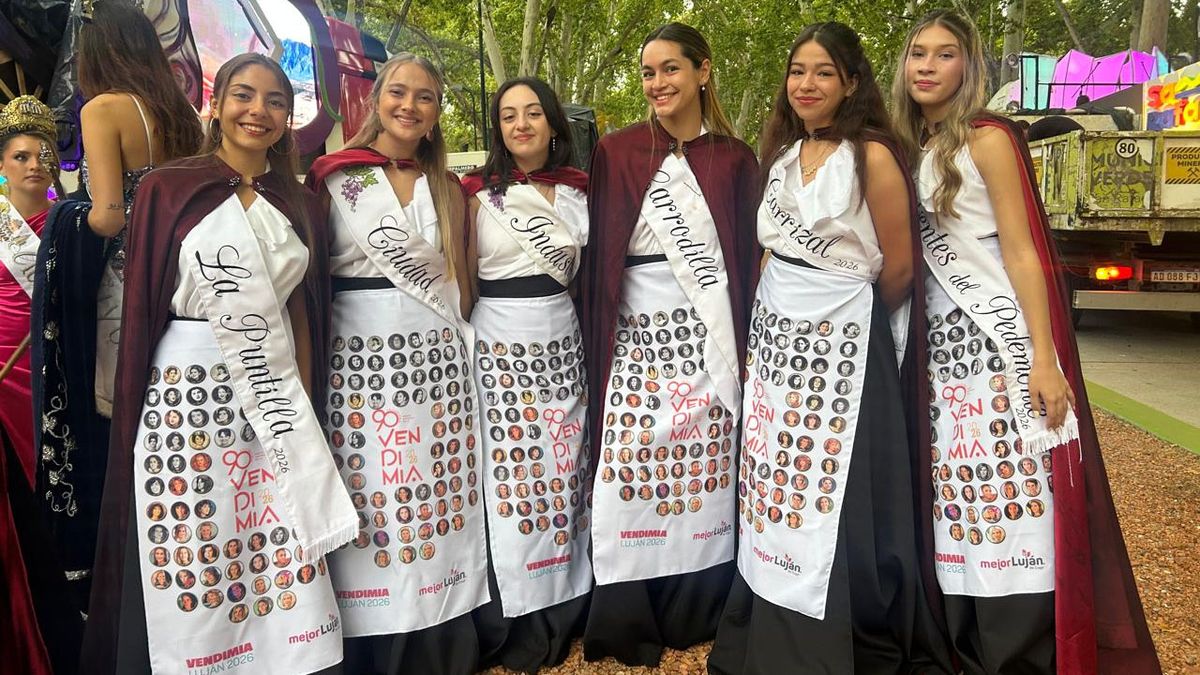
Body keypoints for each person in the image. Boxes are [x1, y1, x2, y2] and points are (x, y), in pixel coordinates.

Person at [893, 9, 1159, 673]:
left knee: (1013, 490)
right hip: (937, 350)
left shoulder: (987, 139)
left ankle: (1020, 649)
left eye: (945, 54)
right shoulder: (904, 146)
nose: (927, 66)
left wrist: (1043, 355)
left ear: (969, 66)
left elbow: (1021, 251)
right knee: (956, 489)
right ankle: (964, 641)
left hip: (996, 346)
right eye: (918, 53)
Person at [80, 53, 355, 675]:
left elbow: (303, 312)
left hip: (272, 395)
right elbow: (143, 303)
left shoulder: (301, 203)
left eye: (275, 101)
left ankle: (283, 656)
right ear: (217, 105)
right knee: (197, 526)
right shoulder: (169, 188)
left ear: (288, 118)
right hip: (188, 389)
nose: (258, 111)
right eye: (244, 95)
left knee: (270, 524)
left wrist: (305, 405)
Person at [710, 25, 953, 674]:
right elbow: (768, 253)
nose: (807, 84)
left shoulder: (873, 155)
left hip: (845, 343)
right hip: (777, 342)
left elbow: (899, 267)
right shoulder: (783, 154)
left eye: (823, 72)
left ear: (851, 82)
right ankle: (769, 613)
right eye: (797, 71)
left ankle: (834, 632)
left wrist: (846, 321)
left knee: (836, 487)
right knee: (778, 476)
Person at [578, 22, 759, 667]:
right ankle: (628, 611)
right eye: (648, 73)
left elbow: (744, 258)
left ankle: (697, 606)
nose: (657, 83)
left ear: (703, 71)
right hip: (637, 334)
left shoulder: (735, 159)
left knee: (704, 467)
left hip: (706, 336)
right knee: (626, 465)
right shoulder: (617, 150)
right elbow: (603, 253)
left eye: (670, 69)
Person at [306, 52, 486, 675]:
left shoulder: (449, 188)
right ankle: (375, 637)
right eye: (398, 92)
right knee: (373, 487)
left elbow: (462, 281)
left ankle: (443, 625)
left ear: (436, 114)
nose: (409, 105)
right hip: (357, 354)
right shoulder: (334, 178)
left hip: (437, 359)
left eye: (425, 97)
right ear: (376, 98)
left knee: (434, 483)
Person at [33, 1, 201, 606]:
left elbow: (107, 215)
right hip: (182, 281)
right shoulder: (183, 113)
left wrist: (65, 216)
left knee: (114, 419)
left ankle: (118, 574)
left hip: (123, 284)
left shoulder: (103, 109)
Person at [460, 76, 593, 674]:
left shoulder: (580, 190)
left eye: (533, 113)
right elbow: (464, 277)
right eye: (509, 115)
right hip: (498, 339)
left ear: (553, 123)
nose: (521, 124)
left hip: (561, 337)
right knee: (510, 472)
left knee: (562, 467)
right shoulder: (475, 193)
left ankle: (563, 601)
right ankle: (509, 611)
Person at [0, 94, 80, 675]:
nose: (34, 165)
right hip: (4, 374)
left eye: (43, 154)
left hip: (57, 370)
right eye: (20, 156)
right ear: (3, 166)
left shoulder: (72, 222)